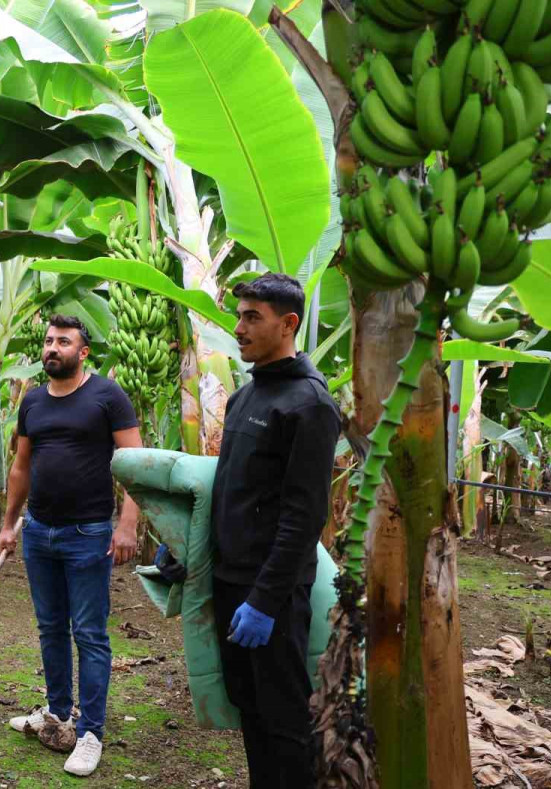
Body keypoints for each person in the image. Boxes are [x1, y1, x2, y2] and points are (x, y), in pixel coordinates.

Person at [0, 314, 143, 778]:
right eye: (48, 341)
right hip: (39, 531)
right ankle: (57, 715)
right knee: (50, 628)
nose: (52, 348)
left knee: (91, 634)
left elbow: (135, 465)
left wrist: (127, 526)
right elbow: (22, 466)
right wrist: (8, 523)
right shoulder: (33, 401)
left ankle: (90, 732)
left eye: (63, 341)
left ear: (83, 352)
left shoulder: (107, 396)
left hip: (89, 534)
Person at [210, 273, 341, 788]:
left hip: (272, 594)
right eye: (239, 314)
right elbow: (229, 488)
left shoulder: (308, 405)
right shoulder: (245, 398)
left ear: (288, 324)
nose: (238, 327)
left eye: (252, 317)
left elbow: (304, 516)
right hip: (230, 581)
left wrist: (266, 600)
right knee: (251, 709)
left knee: (284, 719)